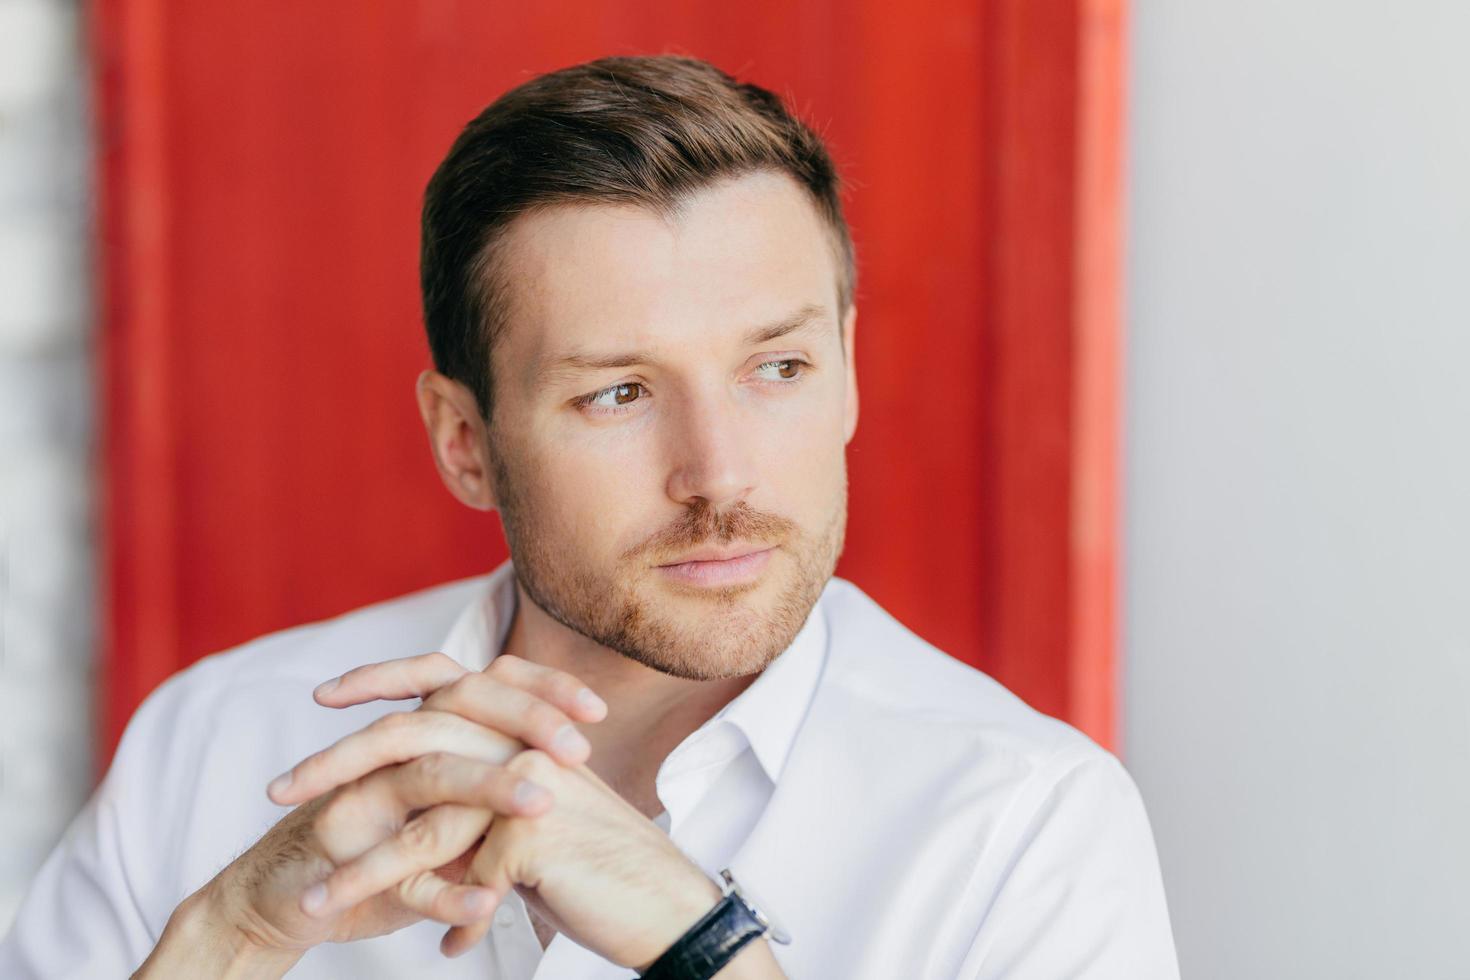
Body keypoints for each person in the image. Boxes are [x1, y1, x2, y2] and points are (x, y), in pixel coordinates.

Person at [0, 54, 1179, 979]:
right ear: (464, 441)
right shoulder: (212, 745)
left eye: (777, 369)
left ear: (849, 369)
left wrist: (701, 946)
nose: (719, 473)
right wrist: (239, 936)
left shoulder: (1024, 823)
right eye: (617, 392)